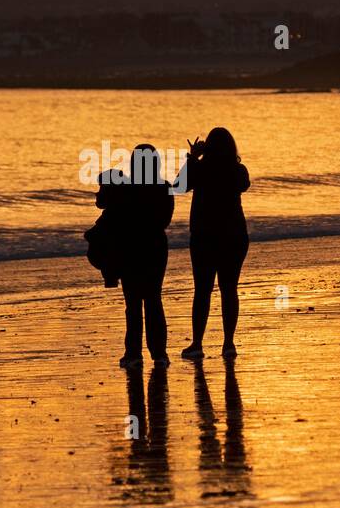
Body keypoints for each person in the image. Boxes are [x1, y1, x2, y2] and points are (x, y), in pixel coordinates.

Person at [96, 145, 174, 369]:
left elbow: (104, 203)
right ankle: (159, 353)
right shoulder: (163, 187)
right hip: (155, 247)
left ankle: (133, 353)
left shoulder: (125, 187)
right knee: (153, 300)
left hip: (129, 247)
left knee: (133, 303)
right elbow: (164, 221)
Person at [175, 128, 249, 361]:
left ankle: (197, 343)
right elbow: (243, 185)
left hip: (204, 236)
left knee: (202, 291)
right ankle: (228, 343)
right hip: (234, 236)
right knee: (229, 289)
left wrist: (192, 157)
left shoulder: (200, 168)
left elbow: (179, 186)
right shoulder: (237, 170)